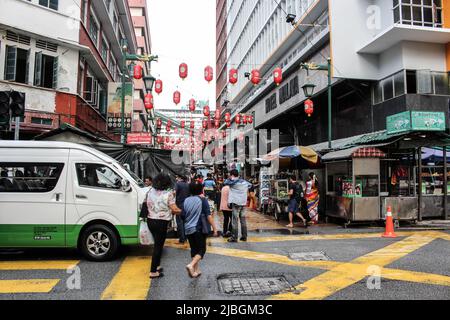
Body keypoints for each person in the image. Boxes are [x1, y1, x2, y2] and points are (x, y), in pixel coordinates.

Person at [145, 173, 181, 278]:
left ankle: (157, 266)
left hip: (150, 220)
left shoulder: (150, 191)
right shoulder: (168, 194)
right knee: (158, 246)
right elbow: (175, 209)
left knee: (157, 244)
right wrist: (184, 211)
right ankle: (153, 271)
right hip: (161, 222)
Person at [182, 182, 218, 278]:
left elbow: (182, 215)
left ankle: (196, 270)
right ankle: (191, 265)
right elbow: (208, 216)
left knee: (194, 249)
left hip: (188, 228)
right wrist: (215, 228)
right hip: (198, 228)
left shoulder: (186, 200)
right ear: (201, 190)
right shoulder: (202, 200)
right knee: (202, 249)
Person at [224, 169, 251, 243]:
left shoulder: (232, 182)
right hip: (243, 203)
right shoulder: (244, 182)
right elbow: (250, 185)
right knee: (243, 220)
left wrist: (232, 178)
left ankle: (234, 237)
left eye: (230, 175)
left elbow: (225, 182)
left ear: (232, 175)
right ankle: (244, 236)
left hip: (236, 203)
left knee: (234, 221)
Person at [175, 175, 190, 244]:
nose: (176, 178)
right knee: (185, 222)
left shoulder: (178, 184)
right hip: (187, 205)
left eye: (177, 177)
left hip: (179, 205)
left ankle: (182, 238)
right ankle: (186, 237)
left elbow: (174, 193)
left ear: (180, 178)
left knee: (179, 222)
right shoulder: (188, 185)